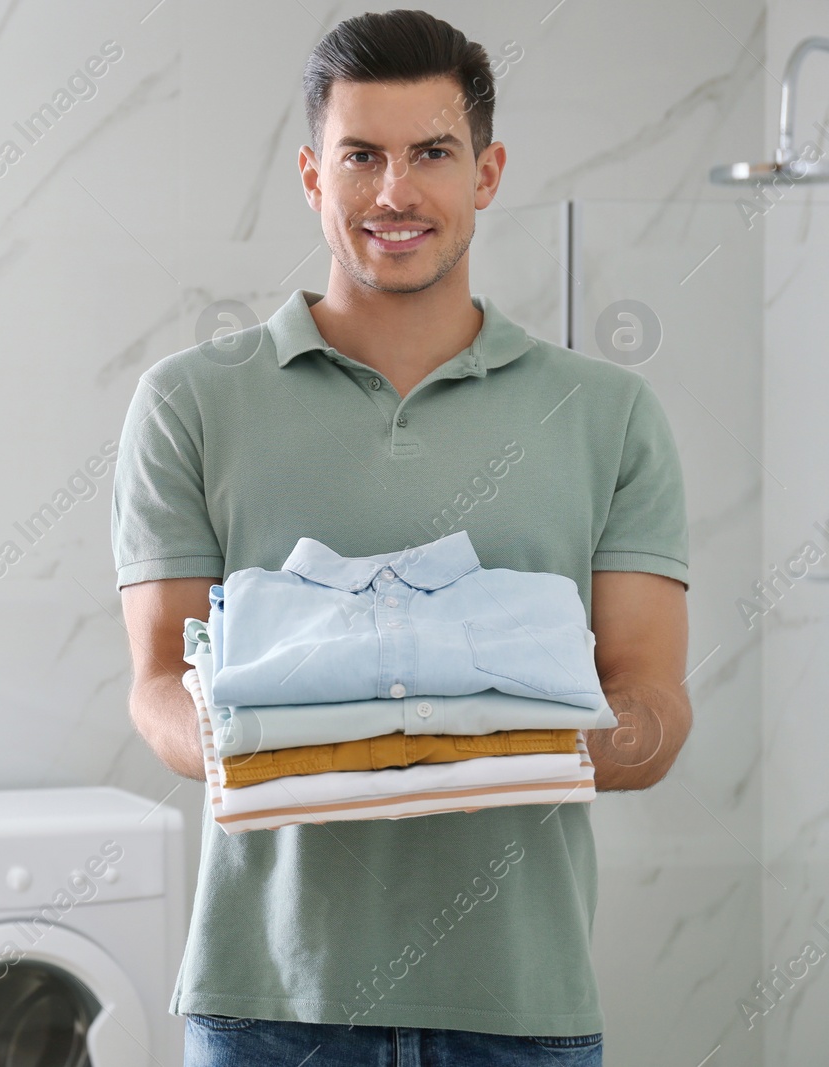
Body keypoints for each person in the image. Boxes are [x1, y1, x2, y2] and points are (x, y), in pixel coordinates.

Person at [110, 9, 691, 1065]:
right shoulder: (190, 402)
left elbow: (651, 698)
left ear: (487, 171)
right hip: (267, 1003)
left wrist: (462, 730)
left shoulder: (607, 413)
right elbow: (159, 682)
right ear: (309, 175)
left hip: (522, 1007)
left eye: (430, 153)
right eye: (360, 157)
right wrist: (323, 738)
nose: (393, 192)